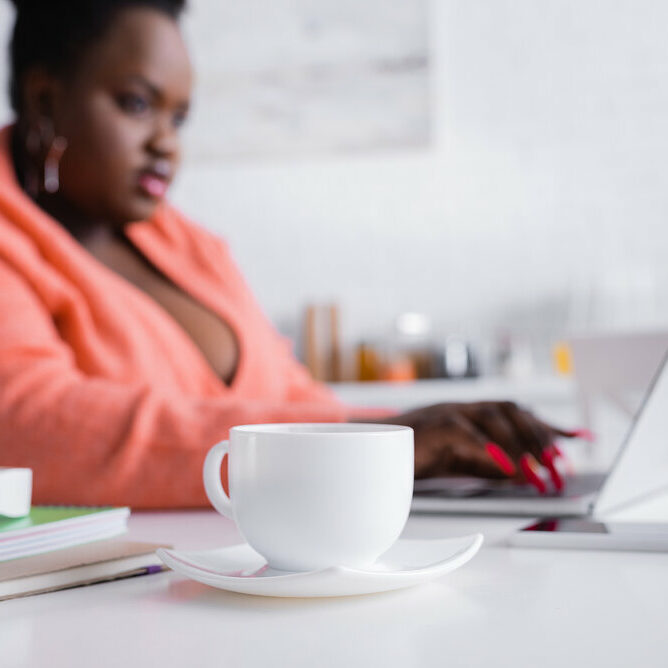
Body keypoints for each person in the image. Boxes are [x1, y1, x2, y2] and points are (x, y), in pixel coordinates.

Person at [0, 0, 579, 508]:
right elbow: (32, 429)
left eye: (179, 117)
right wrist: (370, 445)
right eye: (136, 104)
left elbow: (295, 400)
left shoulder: (188, 245)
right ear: (44, 98)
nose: (166, 142)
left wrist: (430, 439)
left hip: (264, 566)